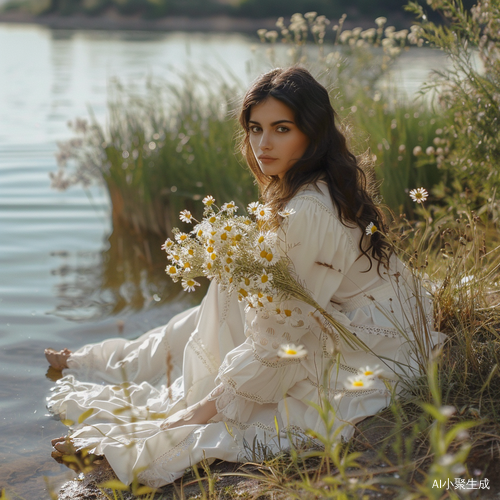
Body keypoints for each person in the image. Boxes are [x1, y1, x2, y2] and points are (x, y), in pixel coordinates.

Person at [45, 66, 441, 488]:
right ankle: (105, 360)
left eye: (281, 129)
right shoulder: (319, 184)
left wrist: (207, 408)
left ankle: (123, 394)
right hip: (389, 323)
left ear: (312, 132)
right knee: (230, 286)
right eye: (255, 128)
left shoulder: (307, 209)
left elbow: (278, 343)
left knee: (229, 312)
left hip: (369, 350)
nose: (263, 144)